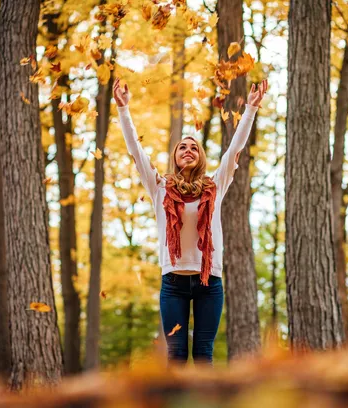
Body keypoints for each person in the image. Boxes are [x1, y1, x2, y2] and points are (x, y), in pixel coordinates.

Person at [113, 77, 268, 365]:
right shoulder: (159, 187)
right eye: (182, 147)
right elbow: (136, 151)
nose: (188, 149)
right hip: (173, 282)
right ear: (175, 156)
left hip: (210, 282)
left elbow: (234, 149)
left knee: (203, 353)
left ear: (201, 158)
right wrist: (123, 109)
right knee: (176, 355)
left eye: (194, 147)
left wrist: (250, 109)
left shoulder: (215, 186)